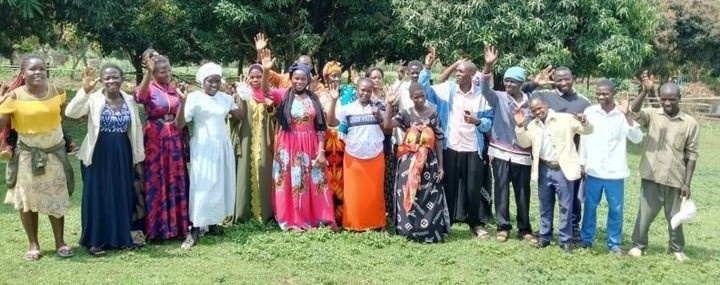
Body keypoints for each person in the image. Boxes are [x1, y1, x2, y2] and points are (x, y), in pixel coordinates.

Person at [0, 55, 75, 260]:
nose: (38, 72)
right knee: (28, 200)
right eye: (33, 69)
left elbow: (61, 117)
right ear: (23, 73)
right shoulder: (14, 96)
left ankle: (60, 241)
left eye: (41, 68)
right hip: (27, 154)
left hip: (54, 153)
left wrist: (66, 140)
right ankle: (33, 244)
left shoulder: (57, 91)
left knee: (56, 196)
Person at [66, 64, 145, 255]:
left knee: (121, 194)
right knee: (97, 195)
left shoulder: (129, 100)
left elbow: (135, 129)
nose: (111, 81)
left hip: (122, 152)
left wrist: (139, 156)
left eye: (115, 77)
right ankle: (95, 240)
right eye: (107, 78)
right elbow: (71, 112)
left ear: (122, 79)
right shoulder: (93, 98)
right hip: (98, 152)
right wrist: (84, 90)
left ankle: (120, 238)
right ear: (101, 80)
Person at [419, 49, 494, 239]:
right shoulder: (447, 90)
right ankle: (446, 221)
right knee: (449, 187)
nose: (457, 74)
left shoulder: (481, 96)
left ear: (471, 75)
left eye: (461, 72)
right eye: (457, 72)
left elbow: (488, 123)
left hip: (472, 149)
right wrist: (427, 67)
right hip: (450, 148)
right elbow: (424, 89)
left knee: (473, 188)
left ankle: (475, 223)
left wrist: (476, 121)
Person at [261, 49, 336, 231]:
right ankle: (292, 219)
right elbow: (264, 91)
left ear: (308, 80)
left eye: (303, 78)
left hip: (310, 145)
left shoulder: (315, 99)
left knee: (314, 181)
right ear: (291, 78)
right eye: (296, 78)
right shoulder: (283, 95)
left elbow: (320, 127)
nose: (299, 81)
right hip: (288, 145)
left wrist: (320, 150)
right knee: (290, 181)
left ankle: (316, 217)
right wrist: (265, 71)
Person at [627, 81, 698, 262]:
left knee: (675, 216)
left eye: (671, 100)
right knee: (645, 214)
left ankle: (676, 248)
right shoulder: (652, 115)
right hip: (651, 175)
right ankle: (638, 245)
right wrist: (645, 91)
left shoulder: (690, 123)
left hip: (675, 178)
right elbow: (633, 112)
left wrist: (687, 183)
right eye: (663, 99)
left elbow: (692, 155)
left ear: (679, 99)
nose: (667, 103)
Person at [179, 62, 246, 249]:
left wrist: (243, 95)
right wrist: (183, 102)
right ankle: (195, 227)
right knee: (202, 186)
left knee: (219, 185)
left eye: (217, 81)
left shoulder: (225, 98)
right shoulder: (194, 98)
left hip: (222, 146)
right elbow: (182, 122)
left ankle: (214, 223)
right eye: (210, 81)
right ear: (202, 81)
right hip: (203, 147)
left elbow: (240, 116)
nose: (214, 85)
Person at [515, 97, 593, 254]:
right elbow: (524, 143)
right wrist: (519, 126)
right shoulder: (533, 125)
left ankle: (565, 240)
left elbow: (587, 130)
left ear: (546, 104)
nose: (537, 112)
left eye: (539, 108)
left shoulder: (564, 119)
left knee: (566, 206)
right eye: (534, 110)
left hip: (563, 169)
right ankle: (545, 236)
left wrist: (584, 121)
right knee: (545, 205)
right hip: (544, 168)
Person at [577, 80, 644, 255]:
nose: (601, 97)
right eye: (598, 93)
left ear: (613, 93)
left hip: (615, 172)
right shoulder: (590, 112)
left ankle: (614, 242)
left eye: (605, 94)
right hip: (594, 170)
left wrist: (628, 115)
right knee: (590, 207)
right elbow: (584, 139)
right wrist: (582, 163)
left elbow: (637, 138)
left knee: (616, 209)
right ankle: (586, 239)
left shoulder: (622, 114)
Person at [524, 66, 591, 240]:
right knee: (546, 201)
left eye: (566, 79)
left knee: (571, 201)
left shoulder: (583, 102)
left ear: (573, 78)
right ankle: (546, 231)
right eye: (558, 79)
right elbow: (524, 95)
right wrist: (534, 84)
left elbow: (586, 134)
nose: (563, 82)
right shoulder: (546, 96)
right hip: (548, 159)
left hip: (570, 158)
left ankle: (572, 230)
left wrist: (583, 162)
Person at [478, 45, 535, 243]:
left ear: (521, 83)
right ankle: (503, 227)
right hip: (501, 152)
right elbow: (484, 88)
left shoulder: (531, 102)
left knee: (522, 192)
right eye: (506, 80)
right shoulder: (499, 98)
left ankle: (525, 229)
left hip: (522, 154)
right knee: (501, 190)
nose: (509, 84)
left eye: (513, 81)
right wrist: (488, 65)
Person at [134, 49, 191, 241]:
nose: (165, 75)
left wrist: (183, 102)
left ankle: (179, 226)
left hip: (174, 138)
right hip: (155, 138)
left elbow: (180, 122)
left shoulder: (175, 88)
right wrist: (148, 74)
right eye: (161, 72)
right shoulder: (149, 87)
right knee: (157, 180)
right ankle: (157, 228)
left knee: (176, 179)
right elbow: (139, 98)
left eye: (167, 70)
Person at [384, 81, 450, 242]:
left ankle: (430, 230)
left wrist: (441, 166)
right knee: (407, 192)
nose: (419, 100)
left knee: (429, 194)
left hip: (429, 162)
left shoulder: (433, 113)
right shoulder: (406, 114)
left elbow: (439, 139)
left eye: (422, 96)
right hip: (408, 162)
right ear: (411, 98)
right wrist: (389, 104)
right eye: (416, 97)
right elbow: (387, 125)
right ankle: (408, 231)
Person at [328, 77, 387, 231]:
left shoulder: (379, 107)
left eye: (369, 90)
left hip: (375, 155)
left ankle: (378, 225)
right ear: (357, 90)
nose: (365, 93)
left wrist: (379, 116)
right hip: (353, 157)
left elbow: (388, 129)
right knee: (354, 194)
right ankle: (353, 225)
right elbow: (331, 122)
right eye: (362, 90)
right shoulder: (348, 108)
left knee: (375, 193)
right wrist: (334, 100)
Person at [232, 62, 281, 224]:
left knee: (264, 171)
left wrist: (270, 107)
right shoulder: (243, 94)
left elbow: (276, 118)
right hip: (247, 140)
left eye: (259, 76)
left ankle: (265, 213)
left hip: (265, 141)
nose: (255, 80)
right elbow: (235, 117)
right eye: (252, 77)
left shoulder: (269, 95)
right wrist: (240, 96)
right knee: (245, 172)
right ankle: (243, 213)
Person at [315, 61, 346, 225]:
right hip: (327, 141)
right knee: (327, 178)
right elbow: (328, 121)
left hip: (343, 141)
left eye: (339, 76)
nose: (337, 79)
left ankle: (342, 216)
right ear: (326, 78)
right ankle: (328, 216)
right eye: (333, 76)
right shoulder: (320, 96)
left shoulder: (348, 94)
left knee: (342, 179)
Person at [365, 66, 396, 227]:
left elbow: (391, 124)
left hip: (385, 140)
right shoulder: (364, 97)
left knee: (386, 176)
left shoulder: (388, 98)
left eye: (379, 77)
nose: (376, 80)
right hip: (368, 142)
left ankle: (387, 212)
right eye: (373, 77)